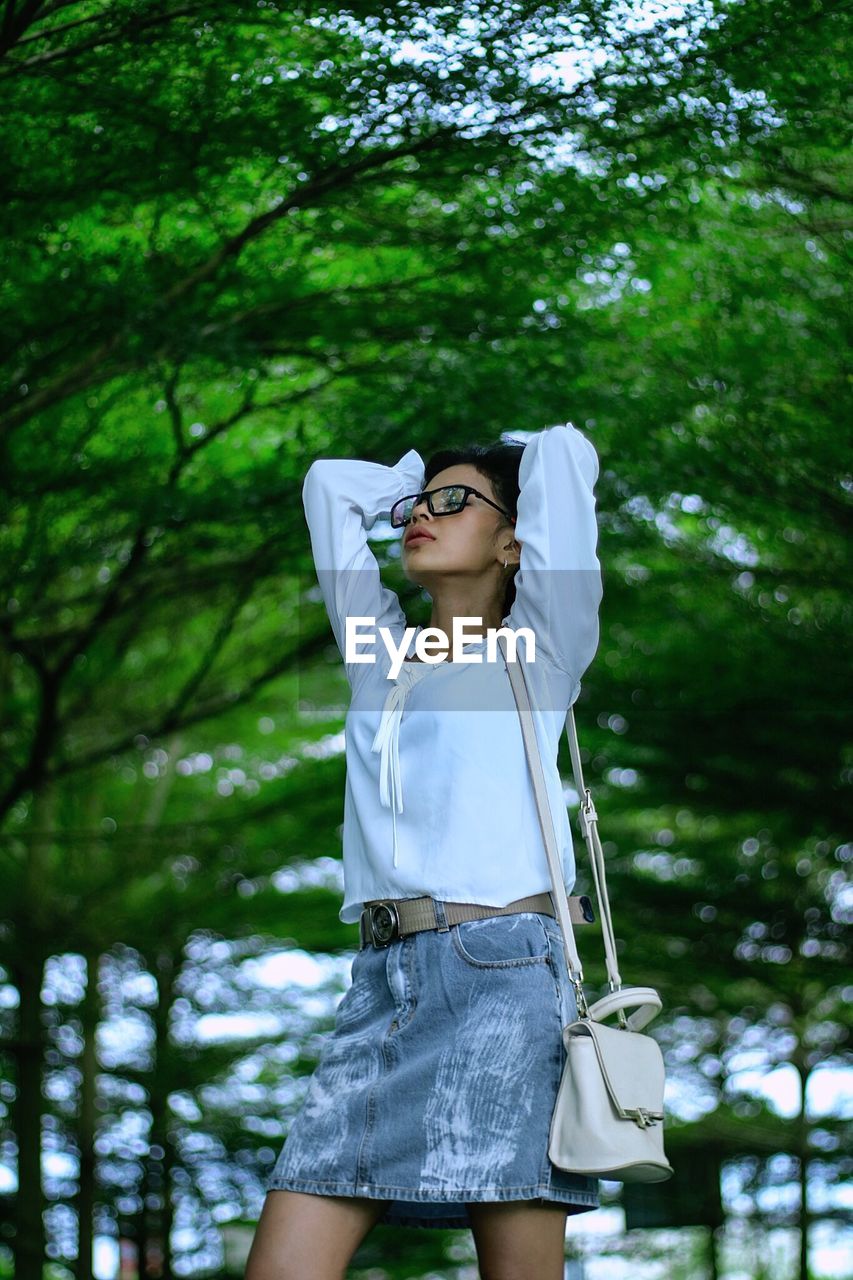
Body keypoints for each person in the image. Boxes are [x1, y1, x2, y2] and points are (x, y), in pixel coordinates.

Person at [245, 422, 604, 1280]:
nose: (421, 514)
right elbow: (330, 487)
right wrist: (419, 476)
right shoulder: (380, 656)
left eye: (454, 504)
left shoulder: (541, 650)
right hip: (381, 983)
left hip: (505, 977)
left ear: (514, 543)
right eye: (416, 505)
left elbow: (566, 455)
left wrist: (499, 452)